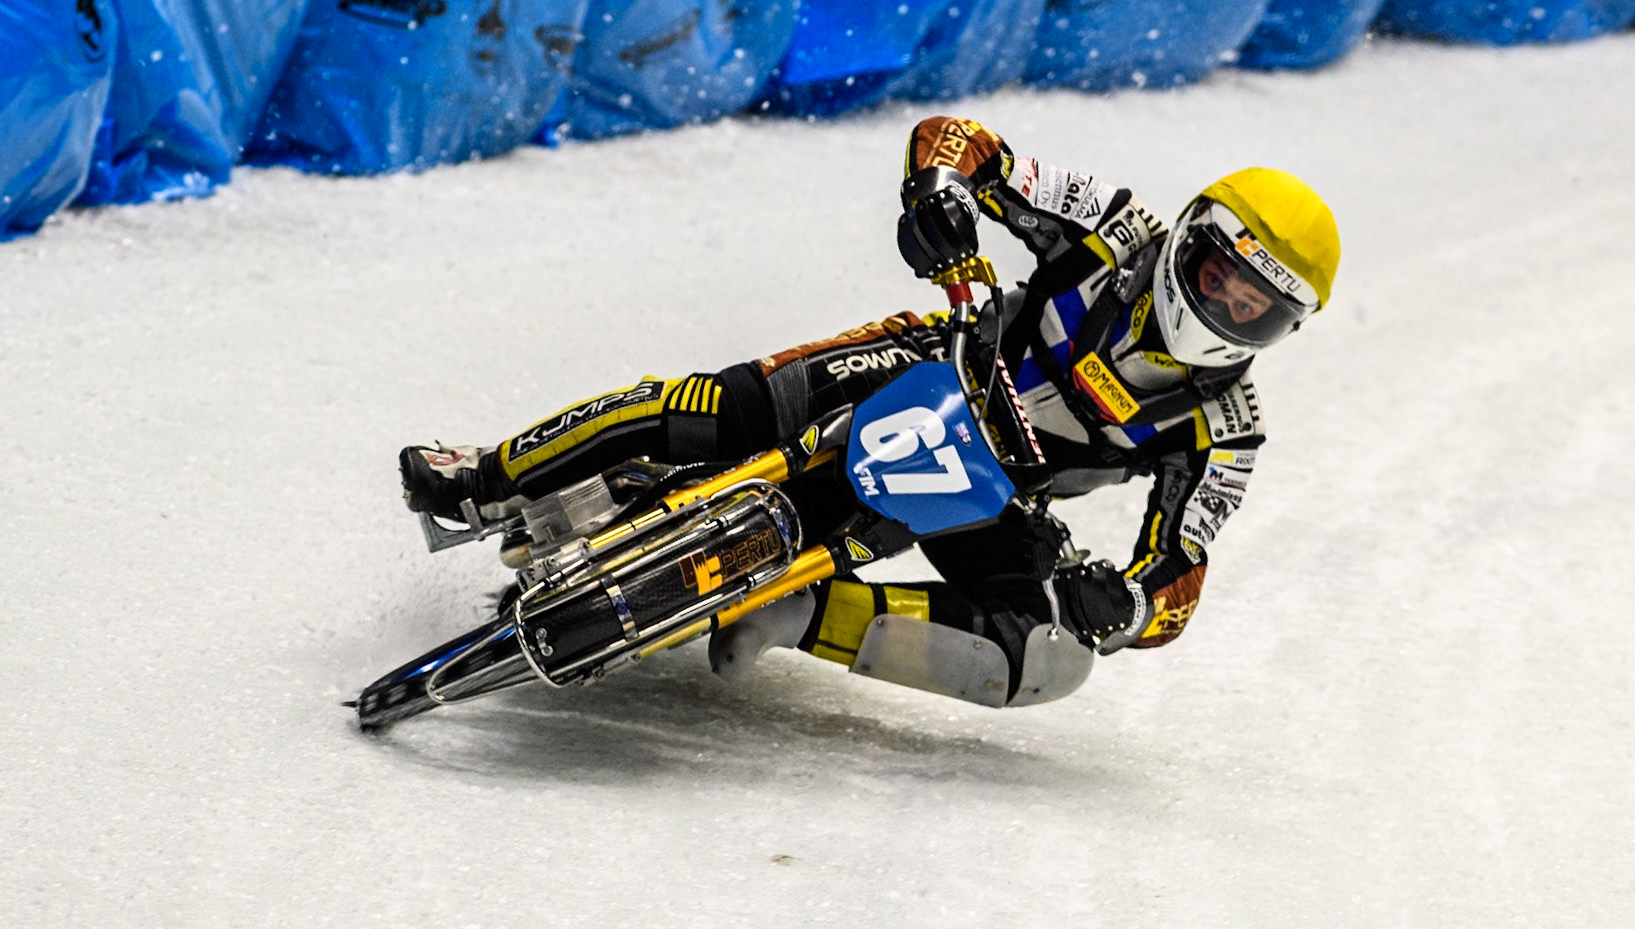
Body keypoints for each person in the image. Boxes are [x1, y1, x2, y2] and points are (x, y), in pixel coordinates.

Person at [400, 116, 1340, 708]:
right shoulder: (1114, 227)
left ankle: (797, 614)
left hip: (991, 490)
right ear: (1192, 239)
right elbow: (962, 144)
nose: (1225, 306)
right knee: (717, 409)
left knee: (1053, 654)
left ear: (1281, 327)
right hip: (937, 359)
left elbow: (1176, 585)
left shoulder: (1229, 431)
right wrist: (939, 200)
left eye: (1256, 306)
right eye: (1220, 273)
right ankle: (486, 477)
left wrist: (1124, 605)